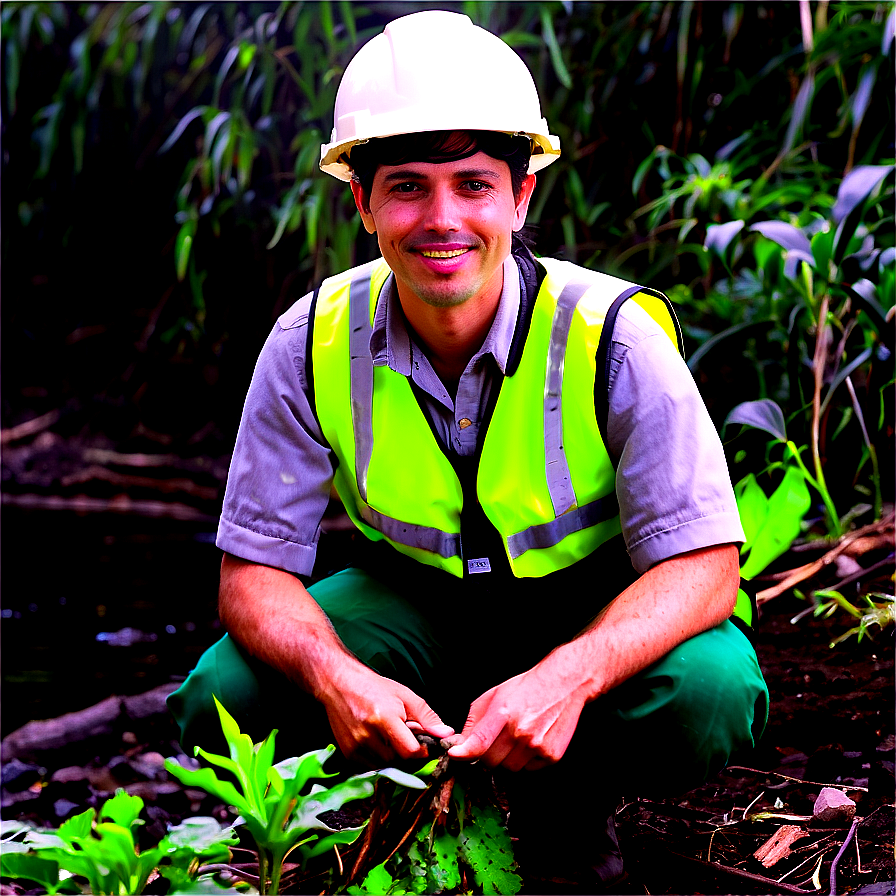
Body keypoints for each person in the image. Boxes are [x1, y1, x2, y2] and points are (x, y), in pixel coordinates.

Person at [168, 10, 768, 888]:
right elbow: (250, 577)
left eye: (474, 184)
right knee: (228, 693)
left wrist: (567, 676)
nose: (441, 219)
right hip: (419, 609)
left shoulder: (613, 336)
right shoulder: (307, 343)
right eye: (407, 185)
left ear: (522, 197)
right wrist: (339, 679)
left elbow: (708, 566)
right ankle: (403, 797)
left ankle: (568, 808)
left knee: (707, 695)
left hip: (589, 604)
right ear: (361, 200)